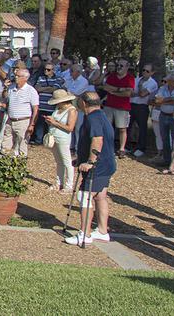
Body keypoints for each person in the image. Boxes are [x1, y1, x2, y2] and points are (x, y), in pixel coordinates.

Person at [65, 92, 117, 246]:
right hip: (107, 163)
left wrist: (90, 162)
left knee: (84, 195)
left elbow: (97, 139)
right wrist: (80, 159)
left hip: (99, 165)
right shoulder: (100, 115)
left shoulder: (93, 118)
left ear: (83, 102)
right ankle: (102, 231)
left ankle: (85, 234)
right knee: (100, 196)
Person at [0, 67, 38, 157]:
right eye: (15, 75)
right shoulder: (11, 88)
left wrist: (32, 124)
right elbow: (7, 101)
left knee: (22, 145)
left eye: (18, 76)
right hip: (10, 120)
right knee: (5, 143)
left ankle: (20, 166)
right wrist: (5, 89)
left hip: (23, 121)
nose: (16, 77)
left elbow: (35, 109)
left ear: (25, 78)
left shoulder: (31, 91)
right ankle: (3, 163)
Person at [43, 89, 79, 192]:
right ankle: (59, 183)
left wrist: (54, 123)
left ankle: (69, 185)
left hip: (63, 138)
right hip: (53, 136)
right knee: (58, 161)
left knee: (67, 161)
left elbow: (70, 128)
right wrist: (50, 121)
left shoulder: (72, 110)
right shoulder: (57, 108)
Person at [101, 60, 135, 156]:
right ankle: (107, 147)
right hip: (109, 105)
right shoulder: (111, 76)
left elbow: (128, 93)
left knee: (122, 128)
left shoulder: (130, 78)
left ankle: (121, 149)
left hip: (122, 107)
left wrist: (114, 91)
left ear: (127, 67)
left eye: (121, 65)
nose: (119, 67)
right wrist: (121, 89)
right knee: (107, 127)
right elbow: (106, 87)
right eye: (118, 65)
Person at [32, 61, 65, 146]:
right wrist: (49, 88)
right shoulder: (41, 78)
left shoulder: (58, 79)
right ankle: (38, 141)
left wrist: (43, 88)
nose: (46, 71)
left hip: (51, 106)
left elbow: (54, 89)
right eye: (45, 69)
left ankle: (49, 142)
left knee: (50, 126)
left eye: (48, 69)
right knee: (40, 125)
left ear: (53, 70)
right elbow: (37, 88)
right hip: (42, 105)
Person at [128, 64, 158, 156]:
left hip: (142, 107)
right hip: (131, 104)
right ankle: (127, 146)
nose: (144, 72)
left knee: (142, 128)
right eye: (143, 70)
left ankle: (141, 148)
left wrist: (140, 87)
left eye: (147, 71)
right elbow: (130, 92)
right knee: (128, 126)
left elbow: (142, 94)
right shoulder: (136, 79)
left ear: (152, 73)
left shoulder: (152, 83)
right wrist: (138, 92)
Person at [152, 74, 174, 169]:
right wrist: (169, 100)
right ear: (169, 81)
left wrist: (163, 100)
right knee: (164, 138)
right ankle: (166, 159)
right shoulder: (162, 89)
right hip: (163, 115)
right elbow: (157, 101)